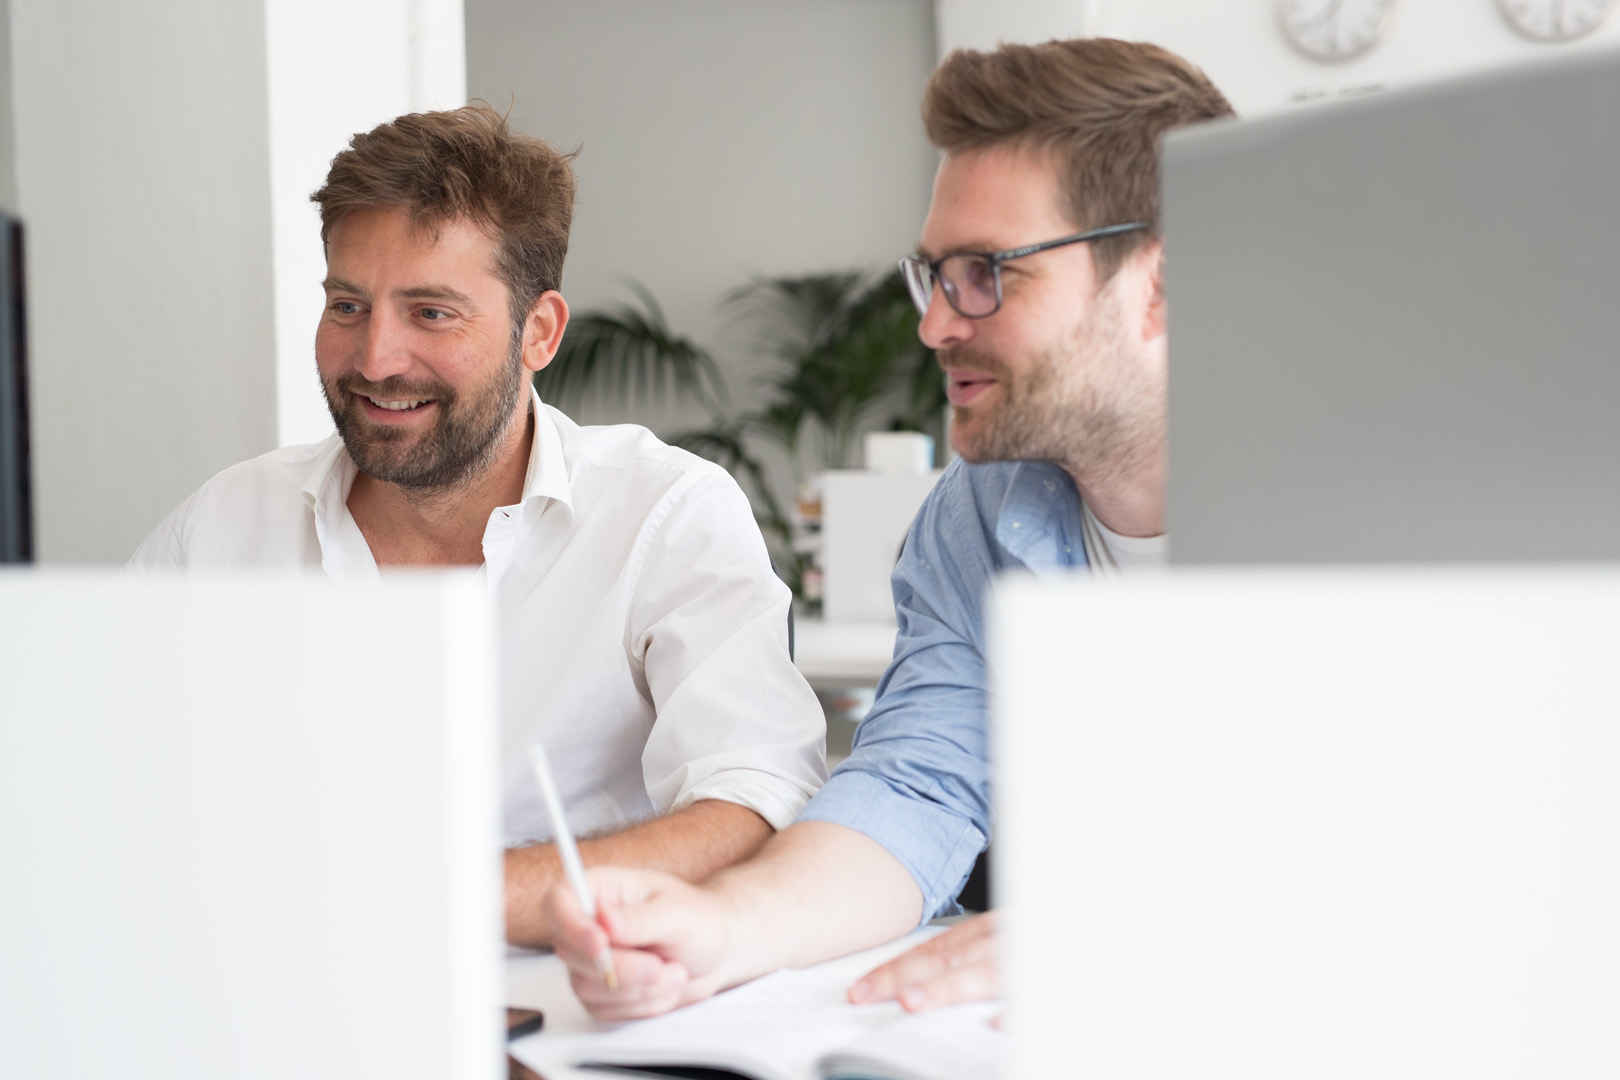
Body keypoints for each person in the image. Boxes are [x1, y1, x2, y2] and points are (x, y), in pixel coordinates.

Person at [544, 37, 1235, 1018]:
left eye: (987, 273)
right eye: (935, 275)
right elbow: (917, 790)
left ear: (1161, 283)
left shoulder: (1392, 491)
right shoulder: (980, 511)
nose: (934, 326)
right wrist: (727, 929)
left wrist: (1132, 934)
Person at [128, 104, 828, 945]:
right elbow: (92, 772)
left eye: (431, 313)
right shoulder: (227, 525)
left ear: (540, 333)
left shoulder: (664, 515)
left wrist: (433, 900)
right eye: (348, 306)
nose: (376, 359)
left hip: (560, 1003)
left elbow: (757, 803)